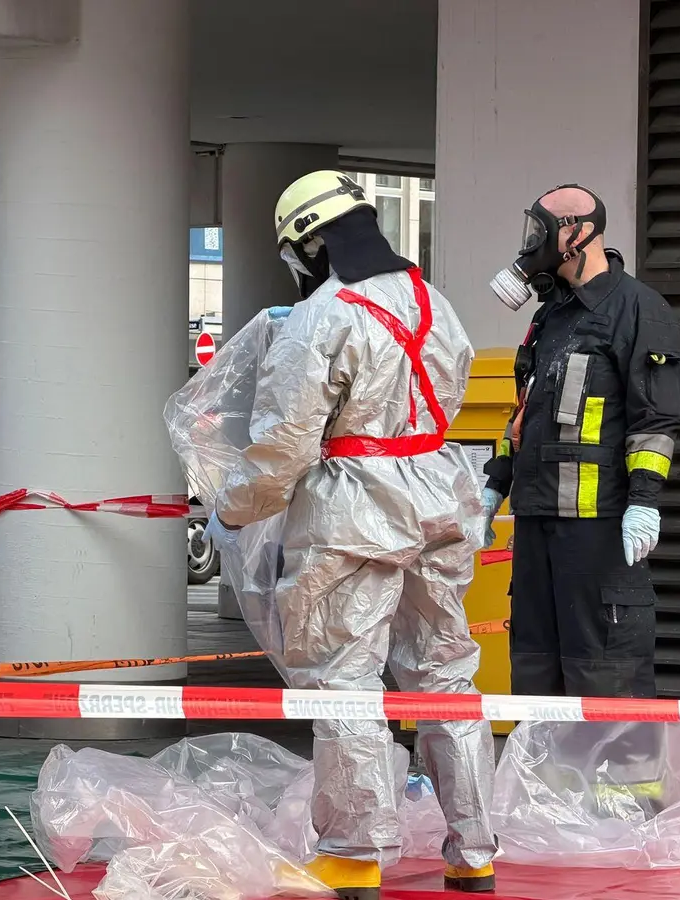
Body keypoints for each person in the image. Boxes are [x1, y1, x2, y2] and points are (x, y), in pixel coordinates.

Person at [206, 171, 497, 898]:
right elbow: (448, 391)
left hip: (352, 511)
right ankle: (474, 853)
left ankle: (354, 853)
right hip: (439, 493)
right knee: (446, 677)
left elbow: (284, 443)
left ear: (310, 242)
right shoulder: (433, 300)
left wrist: (234, 509)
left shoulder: (322, 316)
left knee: (344, 680)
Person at [479, 184, 680, 700]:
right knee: (534, 669)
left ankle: (617, 762)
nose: (532, 243)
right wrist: (494, 487)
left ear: (578, 233)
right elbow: (523, 414)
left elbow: (655, 421)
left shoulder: (638, 309)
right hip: (536, 525)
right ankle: (542, 758)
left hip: (599, 530)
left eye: (542, 230)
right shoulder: (550, 314)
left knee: (604, 671)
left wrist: (644, 502)